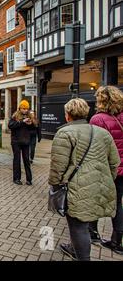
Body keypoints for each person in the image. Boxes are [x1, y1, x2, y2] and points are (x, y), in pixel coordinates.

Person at [49, 98, 119, 261]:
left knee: (78, 227)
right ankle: (76, 250)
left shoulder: (64, 133)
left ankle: (82, 256)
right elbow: (115, 162)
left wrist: (55, 185)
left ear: (67, 115)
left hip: (77, 188)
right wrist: (107, 180)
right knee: (85, 223)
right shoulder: (102, 132)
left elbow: (58, 166)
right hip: (100, 187)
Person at [88, 86, 123, 254]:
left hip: (106, 168)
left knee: (95, 199)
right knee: (117, 204)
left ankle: (92, 233)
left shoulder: (98, 119)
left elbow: (96, 148)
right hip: (122, 168)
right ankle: (116, 241)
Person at [8, 100, 35, 185]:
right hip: (16, 141)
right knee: (17, 160)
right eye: (23, 108)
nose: (25, 110)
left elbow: (34, 129)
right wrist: (22, 122)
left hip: (26, 141)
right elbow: (10, 125)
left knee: (26, 160)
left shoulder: (30, 116)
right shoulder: (15, 116)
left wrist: (31, 124)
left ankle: (29, 179)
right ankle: (16, 178)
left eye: (26, 108)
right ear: (20, 108)